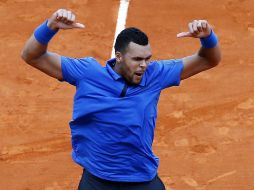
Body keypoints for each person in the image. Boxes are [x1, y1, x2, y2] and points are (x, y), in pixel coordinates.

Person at [21, 9, 221, 190]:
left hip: (141, 179)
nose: (144, 65)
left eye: (147, 58)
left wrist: (208, 37)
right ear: (119, 56)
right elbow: (32, 56)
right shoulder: (88, 73)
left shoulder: (155, 75)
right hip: (97, 180)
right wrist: (50, 27)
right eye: (137, 60)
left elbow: (208, 59)